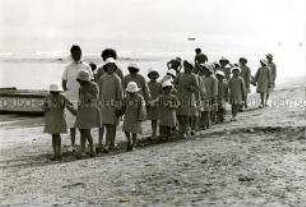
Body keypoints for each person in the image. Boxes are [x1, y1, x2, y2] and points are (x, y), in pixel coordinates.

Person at [62, 45, 93, 148]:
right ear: (71, 54)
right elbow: (63, 82)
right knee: (72, 124)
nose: (77, 55)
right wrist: (66, 92)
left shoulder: (86, 67)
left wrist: (89, 96)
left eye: (78, 53)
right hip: (72, 98)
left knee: (85, 123)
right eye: (74, 53)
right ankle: (73, 144)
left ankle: (85, 143)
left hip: (84, 99)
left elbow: (91, 82)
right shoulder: (68, 67)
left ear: (81, 53)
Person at [42, 84, 76, 161]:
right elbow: (70, 106)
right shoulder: (61, 97)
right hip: (57, 119)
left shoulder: (49, 97)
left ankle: (57, 153)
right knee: (56, 136)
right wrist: (76, 113)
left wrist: (46, 108)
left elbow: (43, 108)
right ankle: (57, 153)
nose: (54, 94)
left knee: (55, 136)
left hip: (53, 120)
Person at [97, 58, 124, 152]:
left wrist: (119, 105)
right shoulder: (102, 78)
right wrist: (98, 103)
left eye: (112, 66)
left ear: (115, 67)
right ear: (105, 67)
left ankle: (112, 142)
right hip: (103, 104)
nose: (110, 68)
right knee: (106, 124)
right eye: (108, 66)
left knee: (113, 125)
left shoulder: (117, 79)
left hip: (113, 104)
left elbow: (119, 93)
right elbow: (98, 92)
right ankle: (107, 143)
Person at [75, 70, 101, 157]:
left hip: (91, 110)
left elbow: (96, 99)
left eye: (80, 81)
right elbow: (80, 99)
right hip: (82, 110)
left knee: (86, 130)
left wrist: (87, 95)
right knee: (81, 129)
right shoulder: (81, 88)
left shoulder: (94, 86)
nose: (79, 82)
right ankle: (83, 149)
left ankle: (91, 148)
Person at [173, 60, 200, 138]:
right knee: (179, 114)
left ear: (191, 68)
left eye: (189, 66)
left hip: (189, 98)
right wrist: (174, 88)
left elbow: (197, 88)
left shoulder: (193, 76)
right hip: (179, 97)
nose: (187, 68)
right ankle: (184, 130)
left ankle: (185, 131)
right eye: (185, 66)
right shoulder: (180, 75)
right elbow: (174, 83)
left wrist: (190, 87)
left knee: (186, 115)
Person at [123, 82, 147, 151]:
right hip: (128, 116)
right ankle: (129, 141)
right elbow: (124, 106)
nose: (131, 93)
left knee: (134, 132)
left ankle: (133, 144)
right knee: (126, 129)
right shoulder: (127, 97)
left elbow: (142, 107)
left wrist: (141, 116)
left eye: (132, 92)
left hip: (136, 116)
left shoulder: (140, 98)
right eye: (130, 92)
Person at [147, 69, 162, 139]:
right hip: (150, 104)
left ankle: (156, 133)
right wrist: (149, 102)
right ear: (149, 76)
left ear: (157, 76)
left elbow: (161, 94)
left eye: (155, 74)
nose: (153, 76)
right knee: (153, 120)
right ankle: (154, 133)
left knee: (157, 119)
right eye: (152, 74)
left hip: (157, 104)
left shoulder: (159, 84)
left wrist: (156, 101)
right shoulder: (147, 84)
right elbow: (146, 94)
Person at [202, 64, 218, 129]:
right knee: (203, 111)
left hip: (210, 96)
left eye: (206, 70)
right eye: (204, 70)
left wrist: (213, 97)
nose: (205, 71)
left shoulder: (213, 79)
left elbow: (215, 89)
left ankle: (206, 124)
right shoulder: (202, 77)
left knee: (207, 111)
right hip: (203, 96)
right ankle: (205, 123)